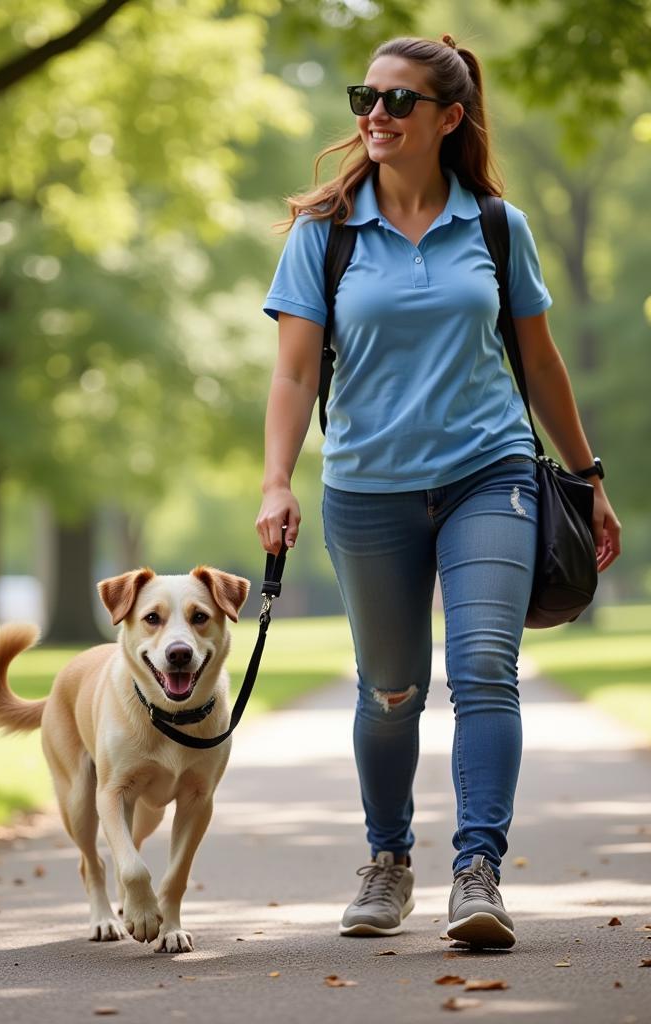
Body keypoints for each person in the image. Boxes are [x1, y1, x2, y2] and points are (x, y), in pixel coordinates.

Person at [255, 35, 621, 949]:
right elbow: (295, 376)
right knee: (390, 690)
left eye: (398, 101)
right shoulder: (324, 234)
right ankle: (387, 862)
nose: (374, 115)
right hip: (367, 488)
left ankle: (477, 871)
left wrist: (586, 477)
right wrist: (275, 479)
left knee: (486, 671)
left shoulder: (497, 225)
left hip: (489, 473)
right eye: (364, 98)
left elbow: (538, 360)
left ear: (448, 118)